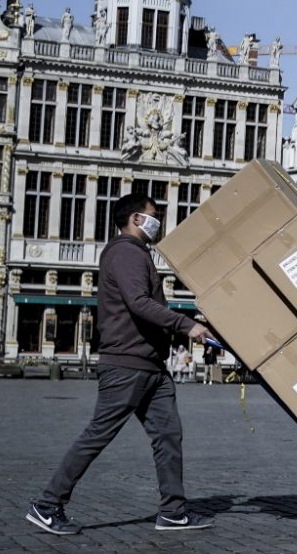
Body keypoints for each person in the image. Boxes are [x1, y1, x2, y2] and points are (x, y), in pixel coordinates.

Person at [26, 193, 216, 535]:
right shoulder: (126, 253)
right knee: (98, 434)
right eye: (153, 215)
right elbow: (139, 303)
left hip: (150, 365)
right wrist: (186, 325)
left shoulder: (137, 254)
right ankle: (47, 504)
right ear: (136, 219)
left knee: (168, 434)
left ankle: (173, 511)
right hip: (127, 364)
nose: (157, 221)